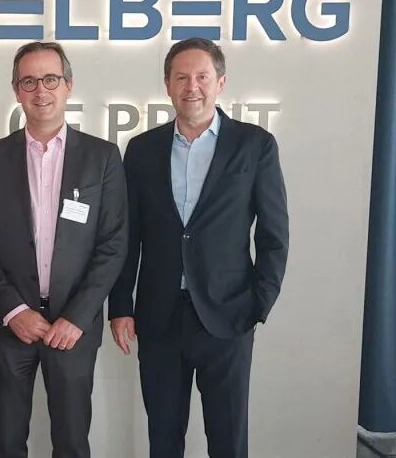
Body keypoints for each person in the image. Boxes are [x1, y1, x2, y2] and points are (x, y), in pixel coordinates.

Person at [109, 37, 289, 458]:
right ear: (167, 85)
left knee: (228, 441)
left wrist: (259, 303)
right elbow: (127, 235)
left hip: (228, 316)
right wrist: (120, 305)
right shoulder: (141, 150)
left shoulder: (254, 145)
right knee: (163, 439)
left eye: (202, 77)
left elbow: (274, 234)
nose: (192, 86)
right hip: (159, 317)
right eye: (181, 77)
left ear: (220, 83)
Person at [0, 41, 129, 458]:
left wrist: (77, 317)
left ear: (69, 85)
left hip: (73, 326)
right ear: (16, 91)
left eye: (51, 79)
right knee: (6, 441)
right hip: (10, 326)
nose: (41, 90)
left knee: (72, 442)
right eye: (29, 81)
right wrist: (14, 311)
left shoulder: (102, 157)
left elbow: (113, 243)